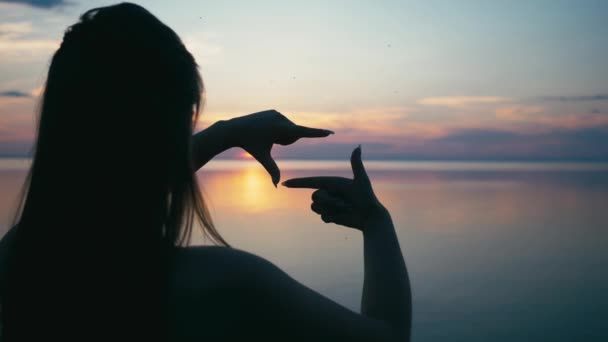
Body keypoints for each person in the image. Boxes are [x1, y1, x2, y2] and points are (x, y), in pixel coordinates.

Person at [0, 3, 411, 341]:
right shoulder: (225, 284)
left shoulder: (17, 260)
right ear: (173, 126)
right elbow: (389, 336)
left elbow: (111, 193)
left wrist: (226, 133)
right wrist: (377, 223)